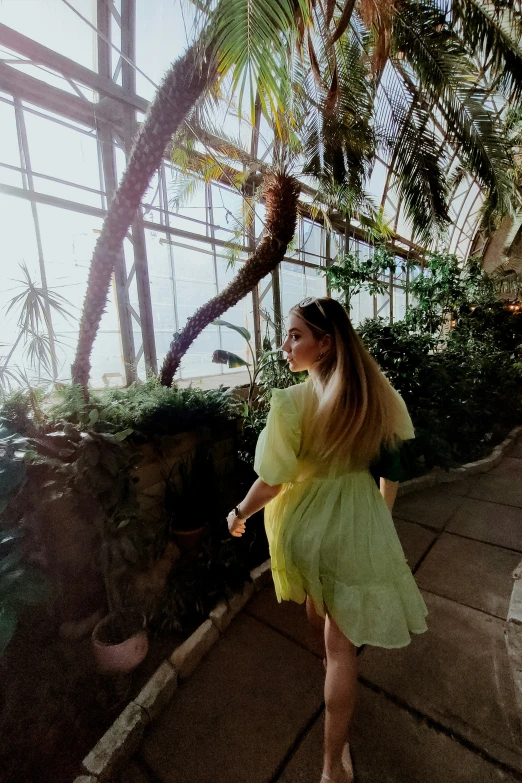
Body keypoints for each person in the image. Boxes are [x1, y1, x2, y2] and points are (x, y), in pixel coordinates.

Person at [226, 297, 428, 783]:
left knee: (320, 610)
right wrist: (380, 514)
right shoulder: (377, 396)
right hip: (354, 524)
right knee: (342, 650)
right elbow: (393, 468)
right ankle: (333, 764)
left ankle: (332, 727)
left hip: (301, 526)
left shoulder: (292, 404)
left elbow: (272, 481)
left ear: (325, 343)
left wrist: (238, 513)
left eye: (296, 335)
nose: (285, 345)